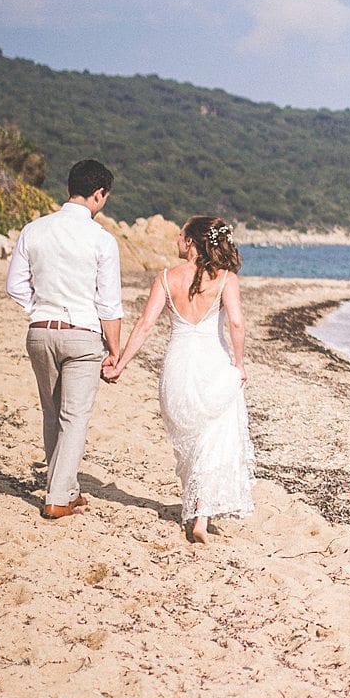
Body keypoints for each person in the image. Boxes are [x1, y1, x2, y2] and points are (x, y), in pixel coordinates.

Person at [105, 216, 254, 544]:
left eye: (180, 234)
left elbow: (145, 325)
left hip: (177, 367)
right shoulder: (226, 278)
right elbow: (238, 324)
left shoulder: (166, 278)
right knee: (211, 439)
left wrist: (121, 365)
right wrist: (239, 364)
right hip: (213, 364)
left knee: (190, 443)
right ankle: (201, 514)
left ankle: (198, 508)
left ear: (191, 242)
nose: (176, 239)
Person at [6, 159, 124, 521]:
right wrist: (115, 351)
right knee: (75, 417)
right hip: (83, 335)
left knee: (52, 411)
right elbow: (108, 303)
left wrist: (38, 310)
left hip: (40, 331)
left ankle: (67, 489)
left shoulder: (34, 229)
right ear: (99, 194)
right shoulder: (101, 240)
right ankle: (57, 497)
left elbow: (14, 286)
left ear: (69, 187)